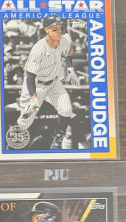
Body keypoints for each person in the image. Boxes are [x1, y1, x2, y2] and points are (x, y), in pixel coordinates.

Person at [14, 14, 80, 150]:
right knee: (25, 121)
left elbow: (68, 52)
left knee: (66, 109)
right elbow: (30, 76)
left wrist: (70, 69)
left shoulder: (64, 40)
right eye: (54, 29)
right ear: (46, 30)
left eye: (60, 28)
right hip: (35, 84)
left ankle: (56, 142)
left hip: (53, 83)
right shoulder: (38, 49)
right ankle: (11, 144)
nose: (59, 31)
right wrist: (33, 97)